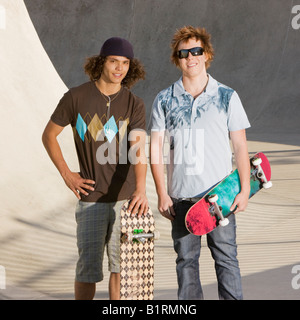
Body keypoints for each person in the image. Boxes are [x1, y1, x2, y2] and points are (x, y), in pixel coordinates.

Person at [42, 37, 148, 300]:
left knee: (123, 270)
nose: (119, 68)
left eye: (125, 63)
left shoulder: (135, 104)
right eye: (114, 61)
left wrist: (142, 190)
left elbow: (138, 150)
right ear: (102, 62)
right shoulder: (75, 97)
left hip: (128, 201)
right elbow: (49, 135)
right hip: (91, 200)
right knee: (87, 270)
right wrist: (68, 175)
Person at [149, 26, 251, 300]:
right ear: (177, 59)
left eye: (196, 51)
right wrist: (161, 193)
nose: (190, 57)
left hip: (221, 194)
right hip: (182, 198)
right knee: (186, 263)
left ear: (206, 54)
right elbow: (155, 149)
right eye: (184, 53)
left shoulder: (227, 96)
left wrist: (244, 189)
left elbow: (240, 145)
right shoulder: (164, 99)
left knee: (227, 260)